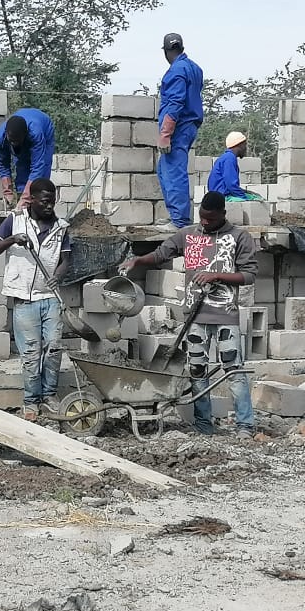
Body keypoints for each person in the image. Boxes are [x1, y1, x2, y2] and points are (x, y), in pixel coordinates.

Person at [119, 191, 257, 438]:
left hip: (225, 315)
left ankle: (245, 425)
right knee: (197, 371)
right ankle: (204, 424)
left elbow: (249, 275)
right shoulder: (188, 235)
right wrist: (138, 261)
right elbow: (162, 253)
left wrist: (218, 276)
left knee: (233, 370)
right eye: (202, 217)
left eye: (210, 219)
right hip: (194, 316)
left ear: (223, 215)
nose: (205, 223)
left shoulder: (239, 237)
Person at [0, 178, 71, 421]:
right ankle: (31, 401)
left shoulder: (61, 227)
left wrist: (58, 276)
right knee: (31, 354)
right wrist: (12, 239)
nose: (49, 206)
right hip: (24, 299)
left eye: (52, 201)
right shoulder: (15, 221)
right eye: (45, 201)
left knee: (53, 348)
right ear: (31, 199)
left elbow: (67, 260)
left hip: (51, 297)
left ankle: (50, 396)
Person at [157, 33, 204, 231]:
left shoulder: (176, 71)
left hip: (178, 126)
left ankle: (179, 221)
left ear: (167, 52)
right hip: (190, 124)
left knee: (173, 171)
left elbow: (175, 102)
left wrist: (165, 134)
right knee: (164, 168)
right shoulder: (194, 68)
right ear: (182, 48)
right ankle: (176, 216)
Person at [0, 108, 55, 209]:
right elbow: (2, 165)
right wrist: (7, 192)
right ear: (7, 135)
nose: (14, 144)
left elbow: (38, 166)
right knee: (21, 166)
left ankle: (40, 208)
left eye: (17, 142)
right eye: (12, 142)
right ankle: (21, 204)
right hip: (24, 128)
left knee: (42, 173)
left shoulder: (36, 134)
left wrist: (26, 198)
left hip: (44, 128)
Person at [208, 131, 262, 201]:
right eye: (245, 145)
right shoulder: (229, 158)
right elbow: (231, 184)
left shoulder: (226, 157)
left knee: (254, 196)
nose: (246, 148)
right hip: (222, 198)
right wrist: (244, 198)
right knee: (257, 201)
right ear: (239, 145)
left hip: (220, 195)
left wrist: (246, 192)